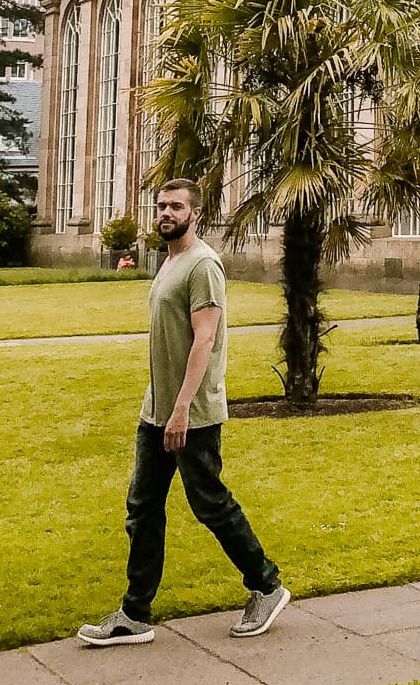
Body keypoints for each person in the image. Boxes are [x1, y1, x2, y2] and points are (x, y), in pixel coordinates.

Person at [76, 178, 289, 646]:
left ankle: (267, 586)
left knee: (209, 502)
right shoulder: (170, 261)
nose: (165, 213)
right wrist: (162, 408)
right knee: (142, 509)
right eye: (161, 206)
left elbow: (205, 340)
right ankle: (134, 615)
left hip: (190, 413)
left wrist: (181, 411)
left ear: (195, 212)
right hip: (157, 410)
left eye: (175, 206)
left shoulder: (203, 265)